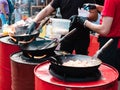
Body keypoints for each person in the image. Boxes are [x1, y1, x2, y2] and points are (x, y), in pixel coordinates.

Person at [27, 0, 96, 55]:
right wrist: (34, 21)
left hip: (82, 34)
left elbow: (94, 16)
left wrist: (80, 18)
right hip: (66, 34)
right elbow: (47, 10)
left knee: (82, 61)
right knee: (63, 59)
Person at [71, 0, 120, 77]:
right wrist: (97, 7)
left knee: (107, 77)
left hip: (111, 45)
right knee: (117, 76)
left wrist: (84, 22)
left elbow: (104, 30)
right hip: (116, 44)